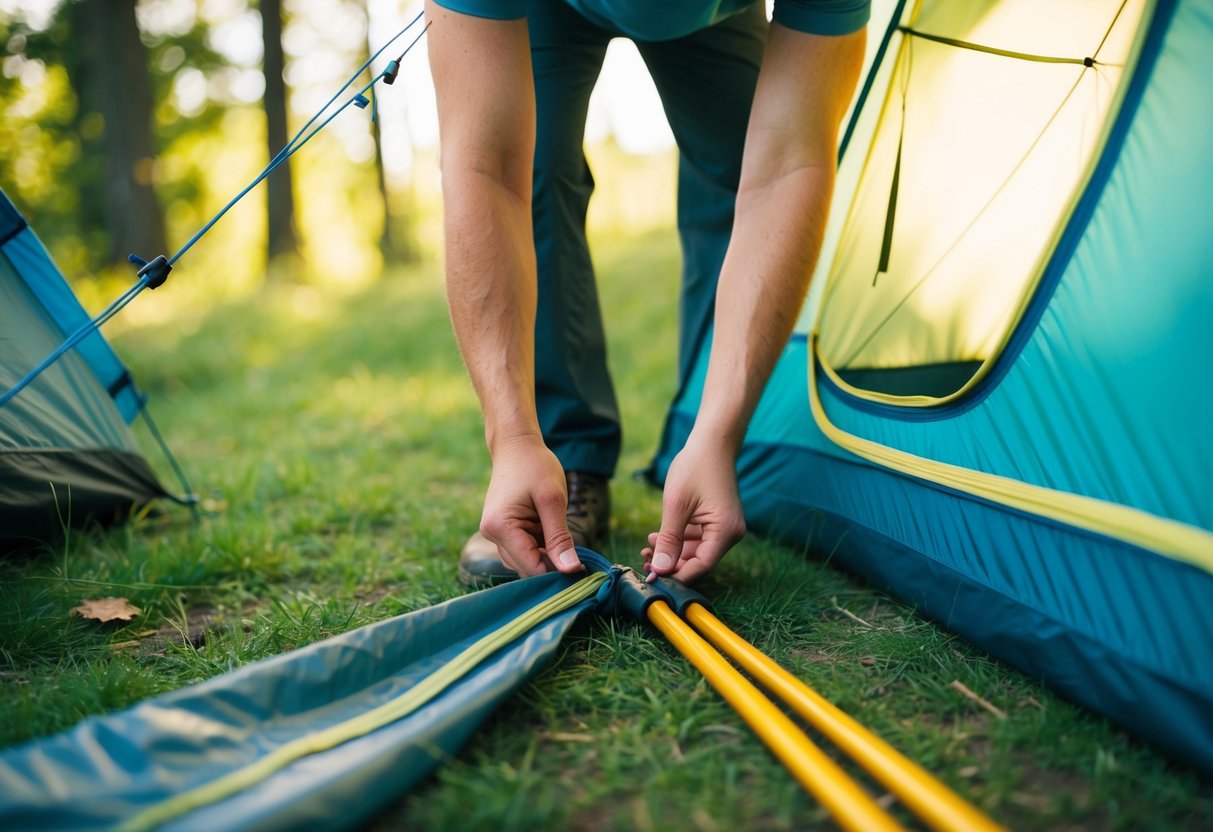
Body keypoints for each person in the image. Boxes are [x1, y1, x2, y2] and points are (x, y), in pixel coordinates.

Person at [426, 0, 867, 586]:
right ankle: (565, 463)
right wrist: (511, 435)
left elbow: (788, 166)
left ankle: (704, 453)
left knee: (743, 165)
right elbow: (488, 166)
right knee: (533, 176)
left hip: (709, 18)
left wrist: (719, 433)